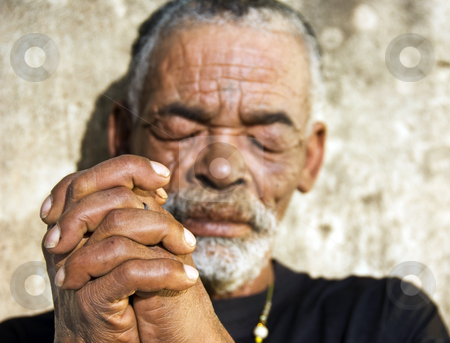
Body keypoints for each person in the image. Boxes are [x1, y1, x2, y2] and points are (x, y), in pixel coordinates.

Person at [1, 0, 449, 342]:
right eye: (181, 130)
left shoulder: (386, 323)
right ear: (121, 140)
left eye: (265, 138)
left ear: (309, 159)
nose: (220, 168)